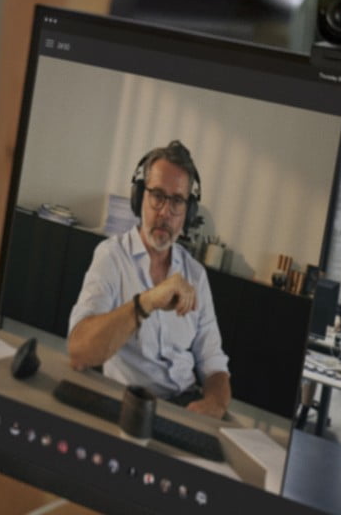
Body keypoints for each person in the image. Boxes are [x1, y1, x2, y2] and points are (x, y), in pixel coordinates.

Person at [67, 140, 233, 418]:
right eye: (157, 195)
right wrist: (147, 301)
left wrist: (215, 403)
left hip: (187, 406)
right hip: (132, 405)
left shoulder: (196, 275)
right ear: (139, 197)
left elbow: (213, 363)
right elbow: (79, 352)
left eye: (177, 201)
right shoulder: (111, 257)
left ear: (188, 212)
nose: (165, 212)